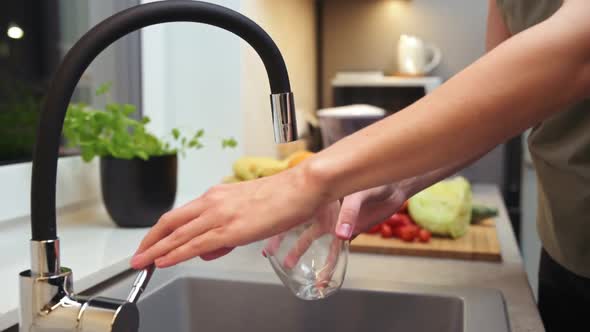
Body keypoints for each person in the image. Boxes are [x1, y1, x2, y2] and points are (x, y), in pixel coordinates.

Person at [131, 0, 589, 330]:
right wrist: (397, 182)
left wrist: (308, 177)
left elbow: (577, 52)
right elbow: (505, 103)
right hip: (567, 251)